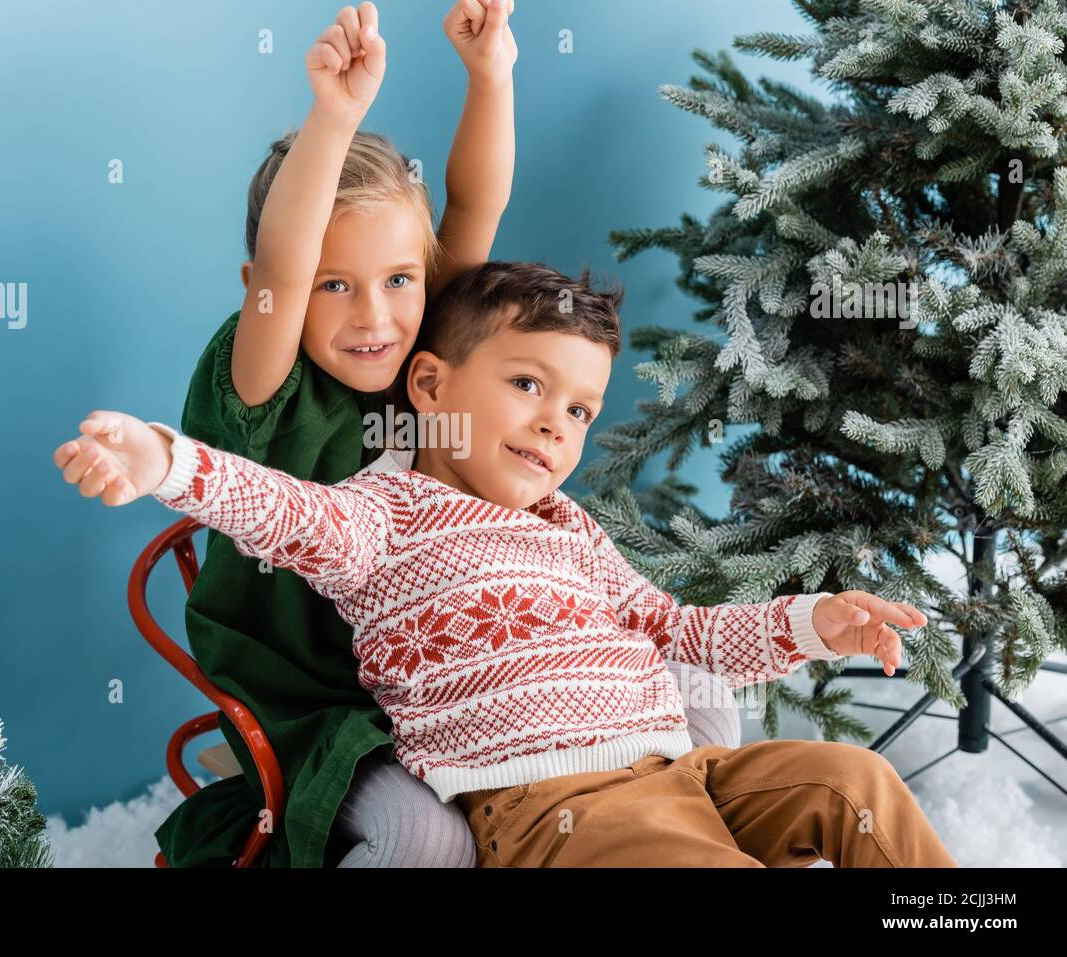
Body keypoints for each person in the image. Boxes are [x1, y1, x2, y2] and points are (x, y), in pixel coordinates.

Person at [55, 260, 957, 867]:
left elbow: (681, 629)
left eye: (578, 412)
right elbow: (275, 506)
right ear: (433, 388)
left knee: (856, 780)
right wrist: (164, 460)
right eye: (528, 385)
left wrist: (815, 621)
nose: (553, 425)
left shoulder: (570, 526)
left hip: (681, 768)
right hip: (549, 802)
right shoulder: (384, 514)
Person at [164, 1, 517, 867]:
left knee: (558, 785)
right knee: (426, 839)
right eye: (335, 286)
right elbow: (286, 260)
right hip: (312, 695)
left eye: (399, 278)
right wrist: (334, 116)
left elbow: (473, 204)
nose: (375, 317)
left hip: (429, 667)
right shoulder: (266, 380)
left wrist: (490, 76)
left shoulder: (423, 345)